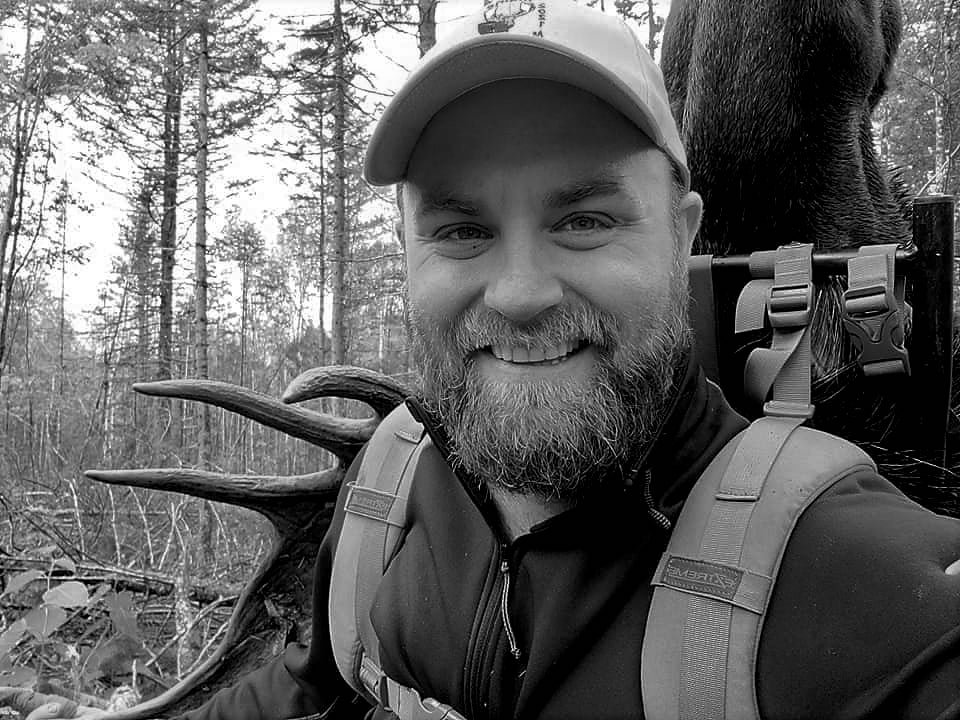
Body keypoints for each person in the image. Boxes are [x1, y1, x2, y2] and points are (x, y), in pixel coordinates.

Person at [28, 1, 960, 719]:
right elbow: (309, 689)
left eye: (584, 220)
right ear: (409, 255)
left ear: (683, 242)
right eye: (462, 228)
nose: (519, 292)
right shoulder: (382, 499)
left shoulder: (862, 587)